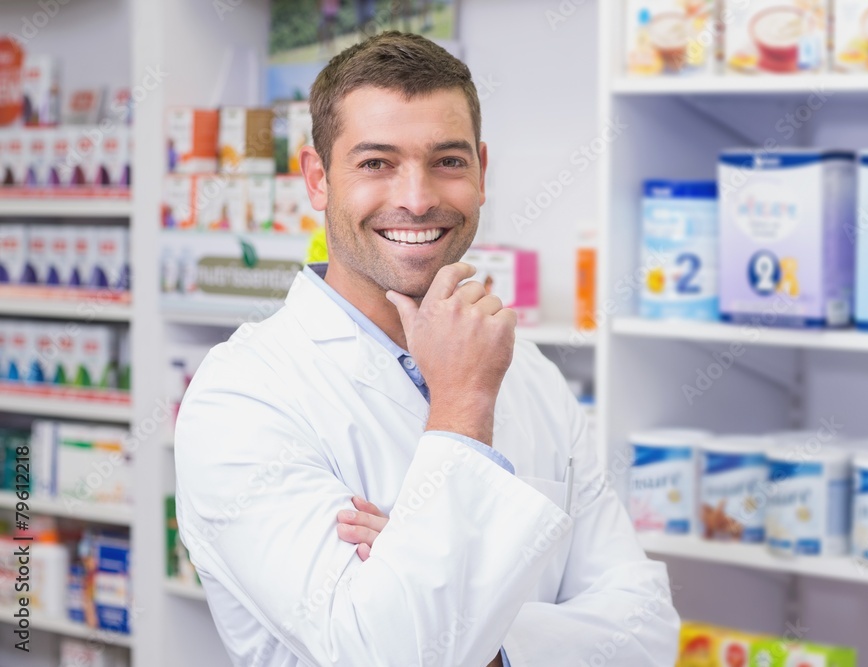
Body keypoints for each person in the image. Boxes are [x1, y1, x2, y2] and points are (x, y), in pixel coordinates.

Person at [174, 31, 680, 667]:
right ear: (317, 178)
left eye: (447, 161)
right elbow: (387, 655)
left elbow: (647, 631)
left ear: (482, 171)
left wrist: (484, 641)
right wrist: (463, 405)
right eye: (376, 163)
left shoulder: (528, 371)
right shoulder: (243, 396)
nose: (416, 198)